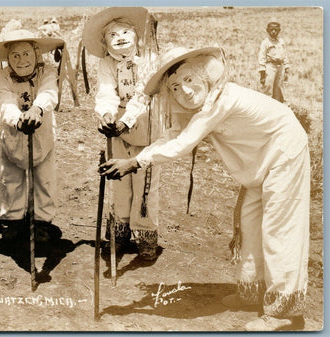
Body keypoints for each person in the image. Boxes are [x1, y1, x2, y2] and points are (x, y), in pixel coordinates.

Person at [100, 46, 309, 331]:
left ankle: (283, 311)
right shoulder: (201, 106)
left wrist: (135, 162)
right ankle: (252, 293)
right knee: (250, 224)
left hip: (285, 151)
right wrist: (134, 159)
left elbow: (184, 144)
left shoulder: (222, 99)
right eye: (175, 86)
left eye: (188, 80)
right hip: (261, 159)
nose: (184, 90)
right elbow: (174, 135)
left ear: (204, 76)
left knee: (278, 230)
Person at [82, 7, 162, 259]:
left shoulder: (149, 60)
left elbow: (144, 94)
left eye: (125, 32)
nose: (120, 38)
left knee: (145, 185)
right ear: (105, 44)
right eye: (112, 35)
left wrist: (126, 120)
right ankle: (119, 231)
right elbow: (106, 91)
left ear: (136, 35)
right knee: (119, 182)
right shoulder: (106, 63)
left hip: (146, 126)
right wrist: (106, 114)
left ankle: (146, 233)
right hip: (118, 129)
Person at [0, 29, 65, 242]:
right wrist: (18, 119)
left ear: (36, 53)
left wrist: (37, 110)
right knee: (10, 179)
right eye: (15, 55)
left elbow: (48, 92)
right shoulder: (3, 77)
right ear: (7, 58)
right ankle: (12, 220)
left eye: (26, 54)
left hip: (42, 133)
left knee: (44, 179)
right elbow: (4, 102)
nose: (22, 60)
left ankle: (41, 221)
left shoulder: (48, 72)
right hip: (12, 134)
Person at [258, 19, 289, 103]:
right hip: (270, 67)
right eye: (271, 30)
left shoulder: (281, 41)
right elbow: (262, 57)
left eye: (276, 30)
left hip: (280, 67)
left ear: (279, 31)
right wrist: (262, 73)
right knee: (268, 88)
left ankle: (277, 108)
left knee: (279, 88)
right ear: (268, 31)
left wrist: (286, 68)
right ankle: (265, 107)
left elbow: (284, 55)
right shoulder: (265, 42)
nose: (274, 32)